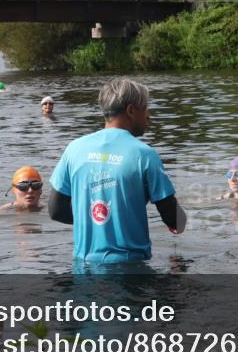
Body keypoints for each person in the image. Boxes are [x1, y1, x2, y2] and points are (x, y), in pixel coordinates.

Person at [48, 77, 186, 264]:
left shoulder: (74, 149)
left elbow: (56, 211)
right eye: (145, 109)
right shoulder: (144, 155)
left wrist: (95, 223)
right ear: (131, 110)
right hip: (131, 269)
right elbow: (175, 220)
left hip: (83, 267)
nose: (148, 116)